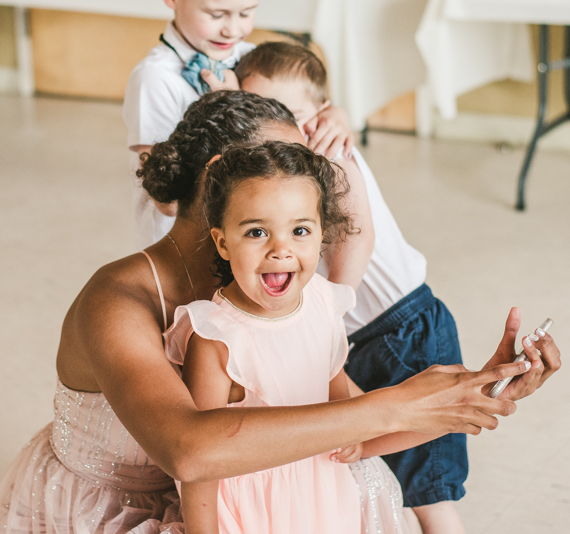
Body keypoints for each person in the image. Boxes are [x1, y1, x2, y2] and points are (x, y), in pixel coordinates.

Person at [0, 91, 560, 534]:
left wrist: (474, 392)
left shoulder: (280, 292)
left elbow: (351, 426)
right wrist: (401, 399)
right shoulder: (117, 298)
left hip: (246, 500)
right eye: (284, 159)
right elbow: (188, 448)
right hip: (113, 507)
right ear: (218, 178)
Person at [234, 42, 471, 532]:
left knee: (428, 490)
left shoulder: (331, 155)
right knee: (368, 466)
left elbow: (348, 255)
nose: (270, 135)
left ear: (320, 118)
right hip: (362, 335)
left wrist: (319, 326)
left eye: (288, 116)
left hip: (404, 328)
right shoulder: (288, 168)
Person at [166, 141, 412, 534]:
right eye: (257, 232)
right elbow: (201, 462)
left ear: (321, 236)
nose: (281, 249)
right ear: (223, 242)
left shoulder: (322, 302)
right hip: (254, 512)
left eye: (299, 230)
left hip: (323, 495)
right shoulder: (216, 337)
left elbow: (340, 402)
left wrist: (354, 439)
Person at [122, 0, 354, 250]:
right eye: (216, 14)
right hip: (189, 245)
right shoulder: (155, 78)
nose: (232, 30)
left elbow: (299, 107)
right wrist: (230, 106)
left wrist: (333, 113)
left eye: (246, 13)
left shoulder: (251, 55)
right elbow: (164, 199)